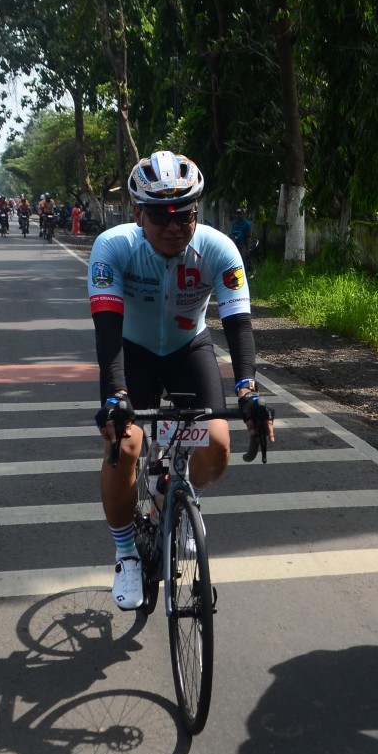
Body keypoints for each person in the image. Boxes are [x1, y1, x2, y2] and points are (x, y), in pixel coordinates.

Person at [90, 150, 274, 610]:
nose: (173, 226)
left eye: (184, 214)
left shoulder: (219, 249)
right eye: (160, 215)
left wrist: (248, 391)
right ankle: (126, 554)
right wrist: (115, 395)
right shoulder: (113, 247)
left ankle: (178, 496)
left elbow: (238, 326)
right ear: (138, 214)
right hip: (131, 352)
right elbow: (107, 331)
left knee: (218, 444)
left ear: (197, 210)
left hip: (188, 348)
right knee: (124, 447)